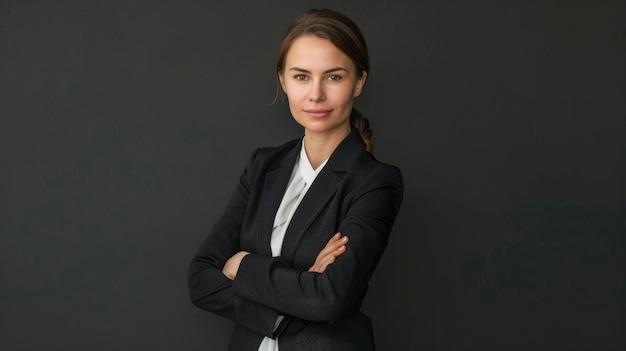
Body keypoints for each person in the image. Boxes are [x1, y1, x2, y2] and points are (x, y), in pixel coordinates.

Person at [188, 8, 403, 351]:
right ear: (283, 80)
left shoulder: (375, 182)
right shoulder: (263, 165)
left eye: (333, 77)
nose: (315, 94)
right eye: (301, 76)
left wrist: (241, 264)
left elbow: (329, 299)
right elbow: (200, 279)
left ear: (359, 81)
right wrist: (292, 299)